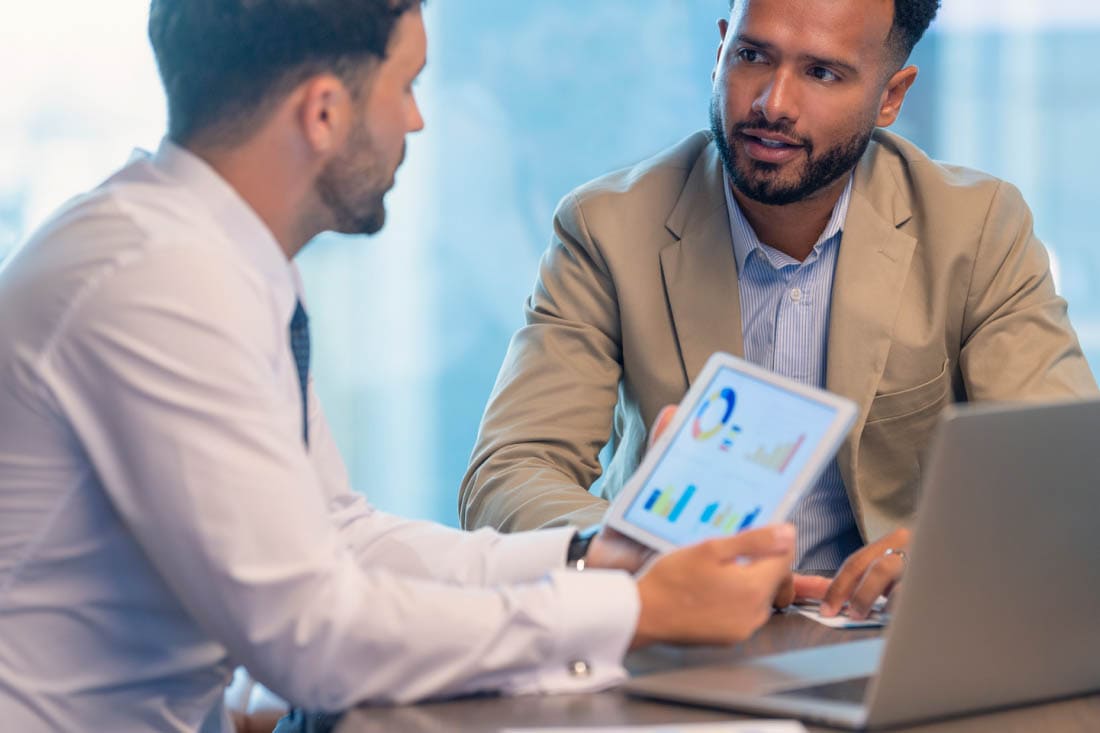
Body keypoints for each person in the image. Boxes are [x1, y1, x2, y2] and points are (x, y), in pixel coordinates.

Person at [0, 1, 799, 731]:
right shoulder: (160, 282)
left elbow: (338, 536)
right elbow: (311, 635)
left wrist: (595, 554)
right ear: (323, 112)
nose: (417, 120)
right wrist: (629, 609)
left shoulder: (215, 258)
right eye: (406, 85)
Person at [461, 0, 1098, 620]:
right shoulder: (606, 228)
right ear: (719, 51)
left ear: (891, 96)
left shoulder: (976, 229)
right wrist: (634, 551)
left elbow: (1064, 475)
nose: (772, 103)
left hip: (891, 635)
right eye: (752, 56)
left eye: (822, 73)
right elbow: (509, 473)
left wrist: (951, 548)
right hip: (679, 630)